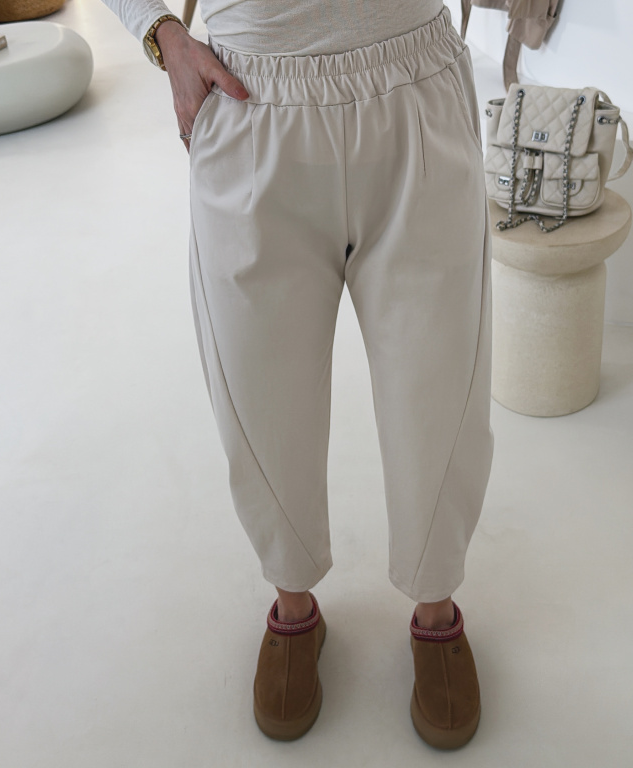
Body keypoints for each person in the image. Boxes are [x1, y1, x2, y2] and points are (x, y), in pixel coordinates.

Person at [98, 0, 495, 749]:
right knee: (258, 387)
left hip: (411, 77)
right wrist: (161, 32)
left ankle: (437, 608)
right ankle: (292, 604)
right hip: (251, 91)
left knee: (438, 379)